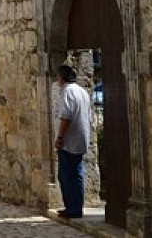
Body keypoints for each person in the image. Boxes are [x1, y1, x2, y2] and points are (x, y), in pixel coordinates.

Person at [54, 64, 91, 219]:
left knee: (67, 175)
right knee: (76, 173)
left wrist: (60, 137)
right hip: (80, 137)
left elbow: (66, 116)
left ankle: (73, 208)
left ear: (62, 78)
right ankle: (74, 207)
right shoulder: (82, 91)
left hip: (69, 140)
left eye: (58, 77)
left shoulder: (67, 91)